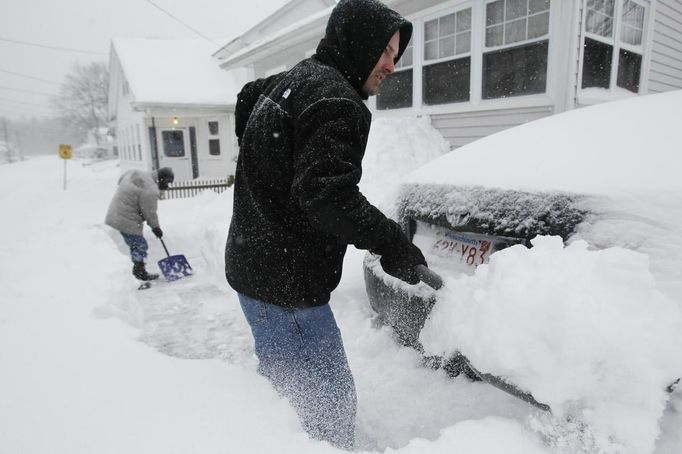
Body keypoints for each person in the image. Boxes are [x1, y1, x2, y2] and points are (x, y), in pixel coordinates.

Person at [225, 0, 427, 449]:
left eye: (397, 54)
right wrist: (396, 245)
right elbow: (328, 198)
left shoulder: (296, 81)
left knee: (283, 396)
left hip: (256, 271)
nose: (392, 66)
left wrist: (269, 168)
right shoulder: (335, 99)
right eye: (386, 52)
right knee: (327, 413)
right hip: (287, 289)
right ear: (358, 45)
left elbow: (246, 97)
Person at [105, 167, 174, 281]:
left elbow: (121, 179)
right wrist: (156, 227)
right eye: (167, 183)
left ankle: (138, 269)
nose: (167, 186)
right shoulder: (151, 189)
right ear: (162, 179)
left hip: (116, 212)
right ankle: (139, 272)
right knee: (139, 245)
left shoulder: (136, 172)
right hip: (127, 217)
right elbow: (150, 212)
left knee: (136, 244)